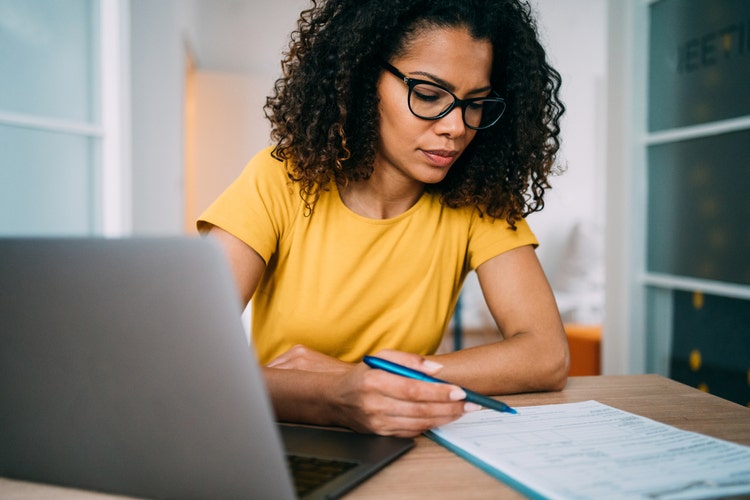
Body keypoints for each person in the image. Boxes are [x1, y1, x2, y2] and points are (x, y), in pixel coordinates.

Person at [198, 0, 569, 438]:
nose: (456, 127)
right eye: (429, 95)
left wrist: (357, 378)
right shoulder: (279, 178)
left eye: (475, 104)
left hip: (403, 440)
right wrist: (337, 395)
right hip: (280, 441)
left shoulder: (478, 199)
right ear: (361, 79)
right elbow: (190, 361)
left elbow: (547, 355)